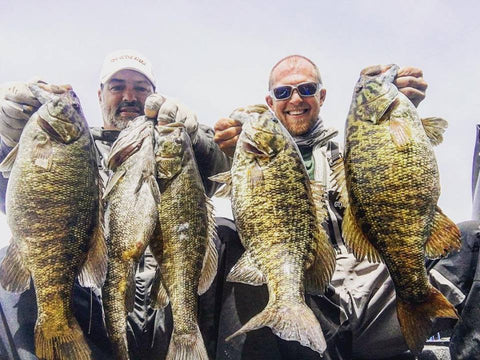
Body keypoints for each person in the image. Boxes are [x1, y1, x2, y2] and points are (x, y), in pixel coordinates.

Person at [212, 55, 477, 359]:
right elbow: (226, 190)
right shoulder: (245, 156)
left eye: (306, 89)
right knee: (226, 235)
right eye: (284, 92)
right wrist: (230, 156)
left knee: (475, 236)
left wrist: (405, 109)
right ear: (270, 102)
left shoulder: (353, 149)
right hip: (316, 300)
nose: (296, 99)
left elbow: (396, 173)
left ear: (321, 96)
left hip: (380, 294)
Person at [0, 49, 231, 359]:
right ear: (100, 95)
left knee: (229, 234)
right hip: (90, 298)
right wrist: (12, 139)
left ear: (154, 95)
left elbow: (216, 172)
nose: (129, 95)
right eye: (117, 86)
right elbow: (21, 195)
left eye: (140, 88)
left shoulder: (173, 141)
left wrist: (196, 139)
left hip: (166, 303)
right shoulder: (78, 146)